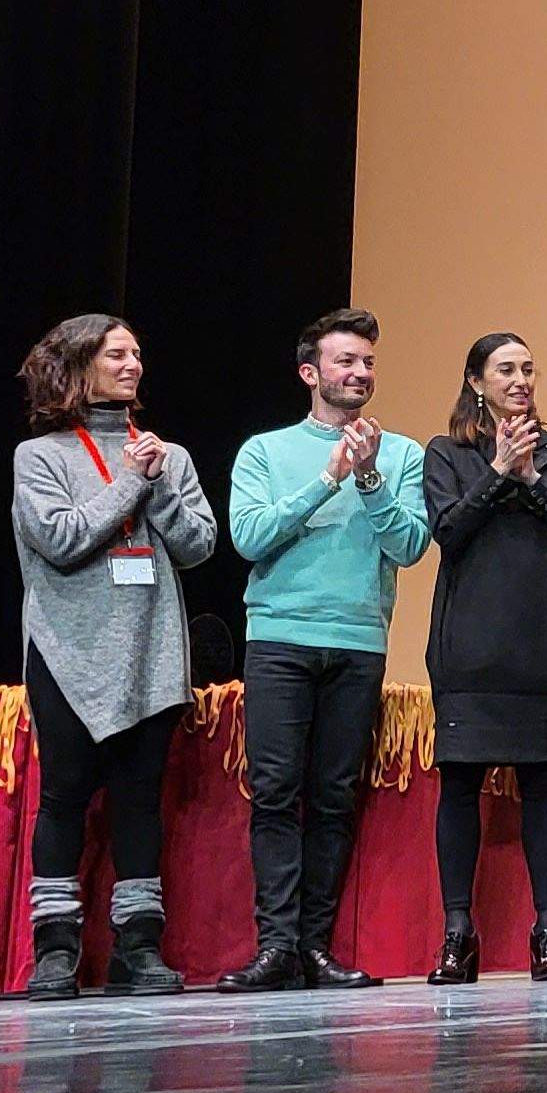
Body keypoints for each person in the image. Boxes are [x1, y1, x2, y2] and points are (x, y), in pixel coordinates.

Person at [8, 314, 222, 999]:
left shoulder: (170, 455)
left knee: (139, 802)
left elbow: (198, 547)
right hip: (68, 652)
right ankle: (55, 948)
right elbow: (63, 539)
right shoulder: (39, 457)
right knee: (65, 796)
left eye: (137, 354)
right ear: (78, 367)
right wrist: (130, 482)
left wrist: (154, 483)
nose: (133, 366)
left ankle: (138, 946)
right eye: (117, 355)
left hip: (151, 652)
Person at [219, 308, 428, 994]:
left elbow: (409, 547)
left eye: (367, 362)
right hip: (279, 638)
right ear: (311, 373)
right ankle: (275, 946)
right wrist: (329, 478)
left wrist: (368, 479)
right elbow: (249, 538)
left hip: (358, 641)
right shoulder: (264, 451)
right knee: (277, 794)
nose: (360, 373)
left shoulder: (400, 455)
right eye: (345, 362)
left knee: (333, 798)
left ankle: (315, 949)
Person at [420, 332, 547, 984]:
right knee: (461, 787)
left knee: (541, 789)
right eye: (506, 369)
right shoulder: (449, 453)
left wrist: (534, 481)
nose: (521, 379)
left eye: (528, 368)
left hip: (538, 650)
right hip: (468, 652)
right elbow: (447, 529)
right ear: (476, 381)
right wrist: (498, 473)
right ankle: (457, 932)